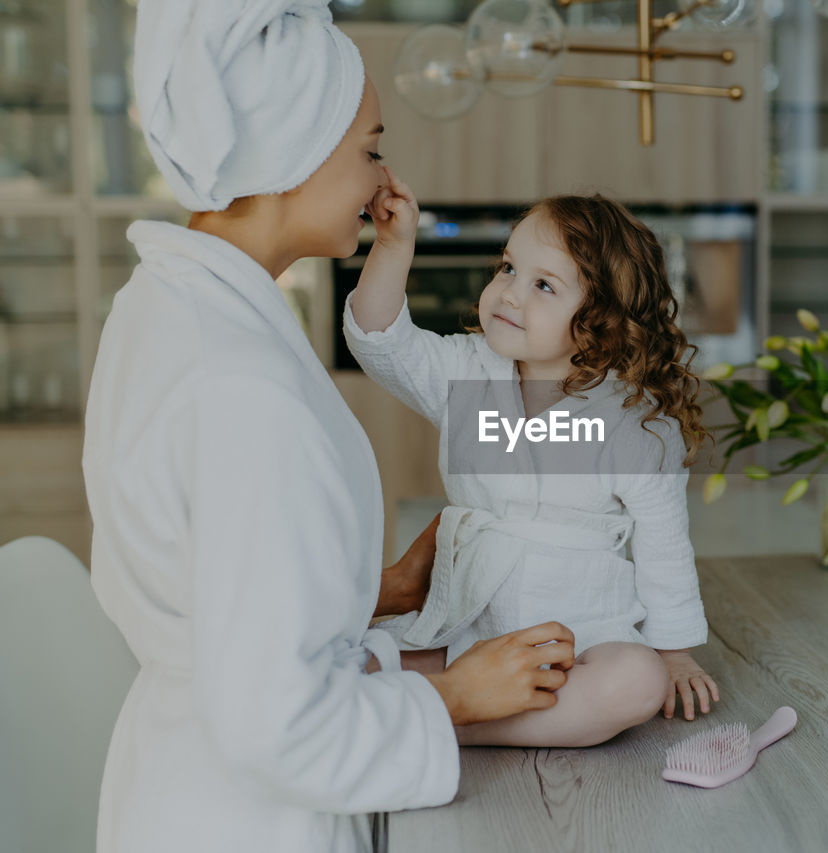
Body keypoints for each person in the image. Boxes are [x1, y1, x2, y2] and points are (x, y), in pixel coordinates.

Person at [83, 2, 574, 851]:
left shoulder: (165, 305)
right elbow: (278, 723)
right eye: (370, 149)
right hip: (249, 819)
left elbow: (211, 576)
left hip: (178, 781)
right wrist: (454, 695)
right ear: (291, 151)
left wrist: (373, 590)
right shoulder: (243, 389)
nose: (384, 184)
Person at [344, 184, 721, 747]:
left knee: (637, 681)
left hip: (583, 635)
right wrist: (394, 245)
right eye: (508, 268)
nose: (509, 294)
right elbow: (381, 342)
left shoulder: (638, 424)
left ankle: (450, 722)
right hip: (468, 623)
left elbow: (664, 549)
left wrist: (675, 655)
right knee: (350, 665)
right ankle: (456, 701)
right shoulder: (468, 372)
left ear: (605, 322)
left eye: (544, 284)